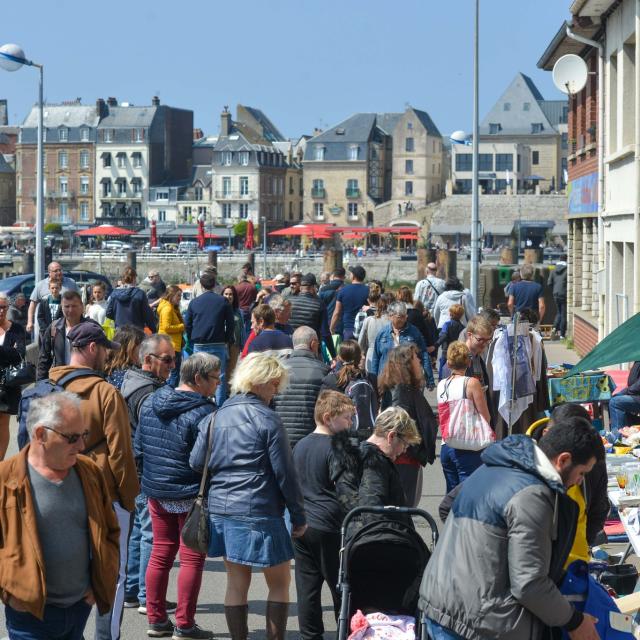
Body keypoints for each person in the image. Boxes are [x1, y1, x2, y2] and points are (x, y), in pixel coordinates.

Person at [420, 418, 604, 640]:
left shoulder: (494, 467)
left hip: (442, 604)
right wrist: (575, 622)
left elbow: (447, 508)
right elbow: (529, 584)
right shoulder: (532, 495)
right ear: (563, 460)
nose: (578, 481)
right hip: (476, 624)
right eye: (582, 473)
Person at [190, 352, 306, 640]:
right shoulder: (268, 420)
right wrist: (299, 515)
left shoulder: (214, 417)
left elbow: (195, 461)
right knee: (279, 581)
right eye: (275, 383)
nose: (277, 389)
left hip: (221, 509)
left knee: (236, 580)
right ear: (261, 382)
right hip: (260, 510)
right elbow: (285, 475)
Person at [0, 392, 120, 640]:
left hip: (80, 608)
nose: (81, 446)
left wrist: (100, 582)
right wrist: (8, 591)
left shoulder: (89, 472)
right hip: (30, 616)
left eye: (83, 435)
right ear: (41, 435)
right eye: (72, 438)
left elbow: (110, 530)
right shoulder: (5, 479)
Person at [48, 322, 139, 640]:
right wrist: (129, 501)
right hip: (103, 495)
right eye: (104, 350)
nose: (107, 357)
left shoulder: (49, 386)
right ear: (91, 349)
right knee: (112, 574)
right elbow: (121, 454)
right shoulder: (106, 393)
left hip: (56, 492)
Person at [135, 353, 219, 639]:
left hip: (156, 490)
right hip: (190, 493)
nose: (218, 385)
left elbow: (139, 448)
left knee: (160, 552)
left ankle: (157, 620)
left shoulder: (150, 403)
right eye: (216, 379)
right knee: (192, 559)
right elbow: (203, 460)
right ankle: (184, 623)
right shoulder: (205, 413)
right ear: (199, 378)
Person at [292, 390, 360, 639]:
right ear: (329, 417)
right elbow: (345, 489)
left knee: (307, 587)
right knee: (342, 586)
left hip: (303, 524)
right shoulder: (336, 447)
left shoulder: (300, 445)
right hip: (330, 526)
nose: (350, 424)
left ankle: (310, 635)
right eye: (347, 418)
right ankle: (348, 631)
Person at [120, 334, 175, 615]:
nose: (172, 365)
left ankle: (132, 590)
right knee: (150, 533)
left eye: (173, 359)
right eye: (167, 360)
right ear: (148, 360)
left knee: (138, 532)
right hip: (144, 470)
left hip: (134, 468)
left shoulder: (131, 382)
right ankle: (145, 594)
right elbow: (154, 437)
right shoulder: (148, 392)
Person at [529, 403, 608, 568]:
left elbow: (598, 510)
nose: (579, 480)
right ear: (548, 434)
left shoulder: (589, 458)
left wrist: (582, 543)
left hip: (575, 568)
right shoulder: (528, 474)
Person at [379, 344, 438, 506]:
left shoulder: (406, 388)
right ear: (406, 364)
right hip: (404, 460)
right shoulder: (401, 390)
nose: (419, 360)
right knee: (404, 508)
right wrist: (416, 450)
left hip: (409, 459)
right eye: (415, 358)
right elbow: (399, 425)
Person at [437, 341, 493, 493]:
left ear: (448, 363)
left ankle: (449, 517)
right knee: (468, 492)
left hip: (446, 444)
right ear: (468, 362)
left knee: (451, 493)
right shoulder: (472, 383)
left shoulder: (442, 384)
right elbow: (485, 416)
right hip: (467, 446)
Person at [184, 271, 235, 406]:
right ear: (215, 285)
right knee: (221, 376)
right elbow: (231, 324)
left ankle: (198, 402)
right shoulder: (223, 301)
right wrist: (227, 339)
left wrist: (191, 338)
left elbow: (187, 324)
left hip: (199, 343)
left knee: (198, 374)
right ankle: (219, 406)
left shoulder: (194, 302)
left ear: (201, 285)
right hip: (218, 342)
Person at [273, 326, 330, 447]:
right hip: (310, 441)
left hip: (280, 437)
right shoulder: (324, 371)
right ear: (313, 344)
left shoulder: (278, 370)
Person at [358, 407, 421, 514]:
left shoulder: (363, 453)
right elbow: (372, 512)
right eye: (405, 444)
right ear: (391, 436)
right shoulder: (375, 462)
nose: (404, 450)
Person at [441, 315, 496, 424]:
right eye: (480, 339)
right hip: (465, 426)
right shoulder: (458, 360)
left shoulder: (478, 358)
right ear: (469, 335)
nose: (485, 344)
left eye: (488, 340)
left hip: (478, 423)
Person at [370, 301, 435, 389]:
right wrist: (374, 382)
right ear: (390, 316)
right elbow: (375, 358)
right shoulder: (382, 334)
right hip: (386, 380)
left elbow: (424, 354)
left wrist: (429, 379)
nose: (403, 319)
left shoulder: (414, 332)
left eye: (405, 316)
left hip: (409, 381)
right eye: (400, 317)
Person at [37, 290, 91, 381]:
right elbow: (44, 359)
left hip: (85, 380)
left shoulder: (92, 328)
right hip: (61, 381)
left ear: (82, 307)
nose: (70, 310)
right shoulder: (54, 328)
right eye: (67, 306)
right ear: (61, 308)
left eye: (74, 306)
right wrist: (40, 384)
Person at [0, 291, 26, 460]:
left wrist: (5, 351)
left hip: (7, 384)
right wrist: (8, 350)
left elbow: (19, 354)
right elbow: (12, 352)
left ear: (8, 307)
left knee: (3, 424)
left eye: (3, 307)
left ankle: (0, 464)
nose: (0, 311)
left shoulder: (16, 329)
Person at [288, 273, 335, 358]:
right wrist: (333, 355)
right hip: (312, 349)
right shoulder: (319, 304)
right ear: (313, 288)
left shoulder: (289, 301)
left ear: (300, 287)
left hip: (292, 347)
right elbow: (325, 333)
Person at [27, 261, 78, 337]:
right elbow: (33, 304)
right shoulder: (40, 285)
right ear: (49, 272)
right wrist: (30, 322)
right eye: (55, 271)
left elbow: (78, 302)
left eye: (60, 270)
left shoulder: (71, 283)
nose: (59, 272)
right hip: (45, 326)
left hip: (66, 325)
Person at [106, 266, 157, 332]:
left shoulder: (114, 293)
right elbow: (147, 316)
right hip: (136, 331)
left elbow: (108, 313)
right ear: (134, 278)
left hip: (120, 331)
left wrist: (119, 318)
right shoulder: (140, 293)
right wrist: (154, 330)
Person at [330, 265, 369, 340]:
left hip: (348, 329)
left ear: (353, 276)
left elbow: (337, 312)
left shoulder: (343, 290)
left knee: (348, 351)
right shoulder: (368, 291)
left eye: (351, 273)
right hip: (364, 329)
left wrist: (332, 328)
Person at [358, 292, 394, 373]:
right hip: (389, 356)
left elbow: (361, 341)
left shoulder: (369, 320)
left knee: (372, 381)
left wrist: (362, 354)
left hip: (371, 354)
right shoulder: (392, 321)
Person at [157, 285, 185, 388]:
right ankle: (170, 394)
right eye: (178, 295)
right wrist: (182, 326)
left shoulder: (171, 307)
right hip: (171, 345)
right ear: (171, 295)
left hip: (172, 344)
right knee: (174, 374)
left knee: (173, 373)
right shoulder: (167, 308)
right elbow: (166, 327)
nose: (180, 298)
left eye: (180, 296)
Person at [104, 325, 146, 390]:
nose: (144, 351)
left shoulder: (107, 367)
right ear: (130, 349)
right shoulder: (130, 375)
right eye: (142, 347)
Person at [222, 285, 246, 385]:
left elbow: (242, 329)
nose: (228, 296)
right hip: (222, 344)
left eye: (231, 294)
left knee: (231, 371)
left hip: (234, 345)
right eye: (226, 294)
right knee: (221, 370)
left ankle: (227, 393)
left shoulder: (238, 312)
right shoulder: (219, 309)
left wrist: (242, 345)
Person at [608, 361, 640, 432]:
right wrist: (620, 393)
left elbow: (637, 386)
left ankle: (617, 438)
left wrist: (627, 392)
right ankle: (626, 434)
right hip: (635, 394)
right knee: (612, 399)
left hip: (637, 396)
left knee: (615, 403)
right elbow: (632, 384)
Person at [435, 303, 465, 378]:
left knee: (442, 372)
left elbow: (444, 335)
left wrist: (436, 345)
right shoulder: (463, 327)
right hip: (457, 352)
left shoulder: (447, 324)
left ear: (451, 314)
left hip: (446, 352)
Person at [318, 267, 345, 337]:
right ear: (344, 277)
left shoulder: (323, 289)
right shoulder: (346, 289)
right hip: (342, 324)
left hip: (326, 323)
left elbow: (319, 307)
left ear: (332, 276)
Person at [548, 257, 568, 338]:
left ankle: (554, 328)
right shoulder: (567, 270)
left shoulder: (553, 270)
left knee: (559, 312)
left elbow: (549, 283)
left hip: (555, 293)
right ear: (566, 260)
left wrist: (555, 289)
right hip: (564, 294)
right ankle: (562, 335)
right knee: (563, 314)